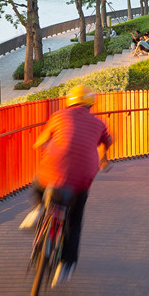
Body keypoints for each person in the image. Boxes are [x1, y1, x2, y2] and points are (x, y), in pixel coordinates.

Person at [20, 86, 114, 284]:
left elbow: (40, 142)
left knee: (39, 180)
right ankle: (66, 264)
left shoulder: (58, 116)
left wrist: (46, 147)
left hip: (52, 173)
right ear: (90, 103)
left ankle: (38, 208)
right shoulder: (99, 124)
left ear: (70, 101)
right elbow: (108, 140)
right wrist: (104, 157)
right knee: (74, 221)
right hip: (82, 179)